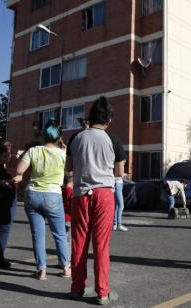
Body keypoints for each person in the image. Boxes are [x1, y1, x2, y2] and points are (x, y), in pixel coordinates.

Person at [67, 97, 120, 305]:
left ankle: (77, 288)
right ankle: (102, 293)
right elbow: (119, 172)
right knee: (101, 245)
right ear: (108, 119)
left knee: (79, 242)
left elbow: (69, 168)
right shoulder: (112, 140)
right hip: (104, 194)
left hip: (81, 194)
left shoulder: (76, 138)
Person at [13, 121, 70, 280]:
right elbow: (71, 170)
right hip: (53, 194)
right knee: (59, 234)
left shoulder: (33, 150)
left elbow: (19, 171)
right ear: (59, 138)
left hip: (33, 194)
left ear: (43, 136)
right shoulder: (63, 154)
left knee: (38, 235)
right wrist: (64, 151)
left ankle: (41, 270)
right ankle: (66, 268)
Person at [0, 141, 19, 260]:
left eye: (8, 153)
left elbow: (19, 175)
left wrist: (8, 182)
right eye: (4, 154)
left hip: (11, 194)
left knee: (6, 226)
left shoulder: (14, 160)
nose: (6, 156)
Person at [112, 137, 127, 232]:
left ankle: (115, 224)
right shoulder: (118, 161)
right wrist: (123, 174)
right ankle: (118, 224)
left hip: (117, 183)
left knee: (117, 205)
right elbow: (119, 174)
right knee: (121, 205)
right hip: (117, 183)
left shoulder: (113, 160)